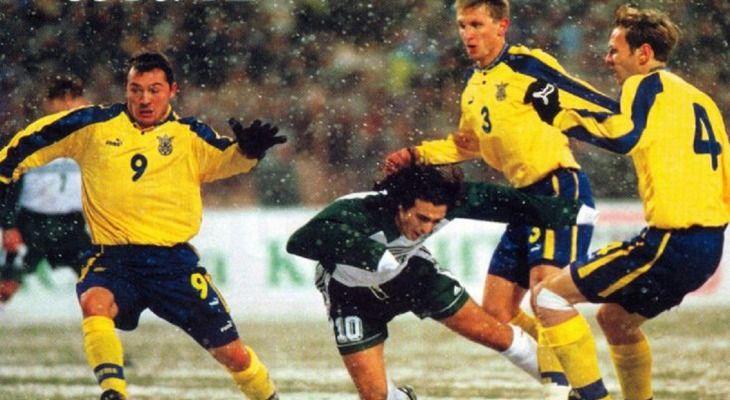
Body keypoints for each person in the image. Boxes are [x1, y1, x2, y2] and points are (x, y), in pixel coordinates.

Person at [0, 52, 287, 400]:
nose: (144, 99)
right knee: (94, 302)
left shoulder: (189, 135)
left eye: (154, 90)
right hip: (114, 258)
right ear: (126, 89)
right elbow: (33, 140)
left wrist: (248, 152)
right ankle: (114, 393)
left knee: (234, 355)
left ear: (172, 90)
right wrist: (4, 169)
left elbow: (227, 160)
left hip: (173, 264)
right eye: (136, 90)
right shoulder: (94, 125)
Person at [383, 1, 618, 397]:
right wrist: (417, 154)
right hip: (522, 199)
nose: (467, 34)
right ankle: (569, 366)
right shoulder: (473, 86)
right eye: (462, 25)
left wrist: (631, 121)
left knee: (546, 296)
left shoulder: (527, 64)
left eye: (477, 24)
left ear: (501, 26)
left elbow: (586, 97)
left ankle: (573, 388)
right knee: (497, 309)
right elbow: (466, 145)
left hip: (557, 187)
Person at [525, 4, 729, 400]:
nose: (607, 59)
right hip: (708, 246)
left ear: (644, 54)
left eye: (614, 50)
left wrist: (557, 116)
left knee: (547, 296)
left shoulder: (644, 85)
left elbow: (622, 136)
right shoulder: (699, 99)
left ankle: (592, 396)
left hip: (671, 243)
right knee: (616, 320)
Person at [287, 165, 599, 400]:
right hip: (350, 296)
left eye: (436, 222)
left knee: (493, 333)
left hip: (412, 276)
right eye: (422, 219)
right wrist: (372, 255)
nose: (427, 229)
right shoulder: (360, 210)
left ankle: (566, 388)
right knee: (374, 395)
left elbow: (507, 203)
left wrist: (571, 213)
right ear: (400, 205)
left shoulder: (449, 201)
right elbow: (301, 240)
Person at [0, 75, 92, 304]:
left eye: (73, 98)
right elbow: (8, 183)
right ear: (48, 103)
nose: (67, 104)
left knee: (97, 281)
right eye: (61, 98)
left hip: (72, 224)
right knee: (7, 285)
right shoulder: (31, 138)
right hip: (31, 224)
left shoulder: (90, 138)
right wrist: (8, 225)